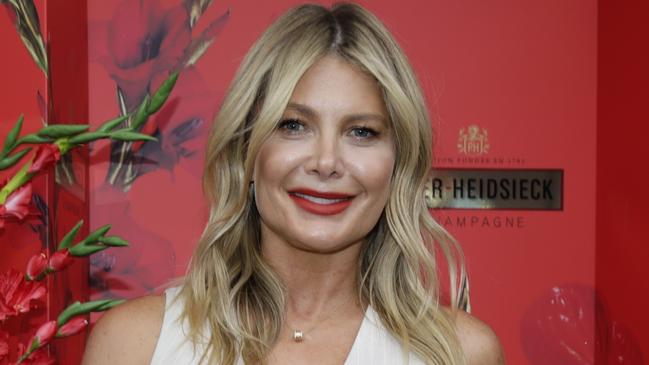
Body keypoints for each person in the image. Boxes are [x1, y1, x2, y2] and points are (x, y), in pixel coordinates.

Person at [82, 3, 504, 364]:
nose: (326, 162)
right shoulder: (135, 345)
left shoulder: (460, 353)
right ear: (246, 150)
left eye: (361, 132)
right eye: (293, 125)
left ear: (399, 165)